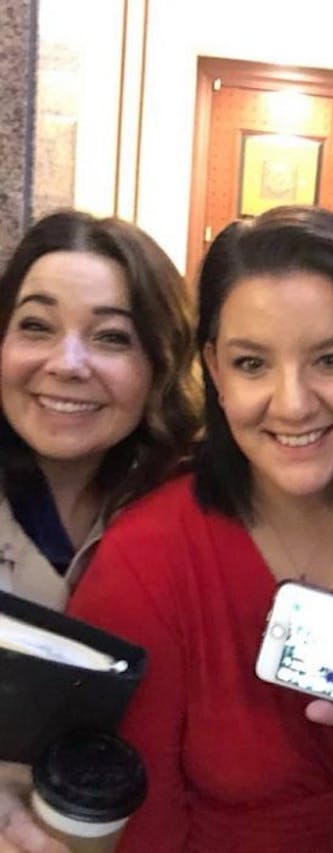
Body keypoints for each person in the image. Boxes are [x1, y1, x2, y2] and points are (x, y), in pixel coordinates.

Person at [68, 205, 333, 853]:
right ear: (215, 370)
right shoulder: (149, 558)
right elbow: (136, 829)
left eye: (332, 359)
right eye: (253, 363)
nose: (293, 402)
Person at [0, 210, 202, 851]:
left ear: (160, 363)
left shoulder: (192, 515)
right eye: (36, 326)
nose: (67, 363)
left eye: (111, 337)